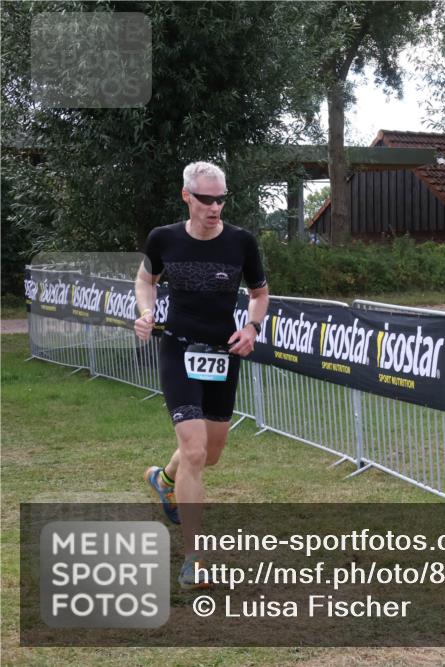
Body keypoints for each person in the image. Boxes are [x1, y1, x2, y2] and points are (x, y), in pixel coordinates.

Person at [134, 161, 269, 587]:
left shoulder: (241, 242)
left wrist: (251, 327)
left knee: (209, 454)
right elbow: (145, 279)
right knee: (194, 451)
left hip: (224, 352)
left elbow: (260, 294)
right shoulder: (164, 239)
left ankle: (163, 477)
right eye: (207, 199)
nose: (215, 207)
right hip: (179, 347)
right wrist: (146, 312)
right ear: (187, 196)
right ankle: (195, 559)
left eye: (221, 198)